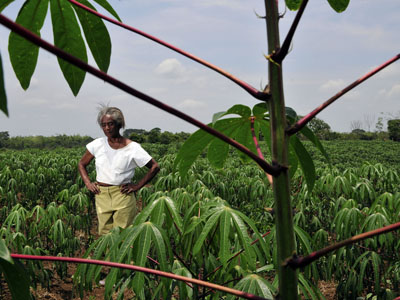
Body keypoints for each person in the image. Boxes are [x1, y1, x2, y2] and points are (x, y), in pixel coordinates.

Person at [78, 106, 160, 235]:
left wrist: (137, 186)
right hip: (101, 194)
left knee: (123, 235)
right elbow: (82, 164)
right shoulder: (97, 144)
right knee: (106, 236)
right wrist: (88, 183)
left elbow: (155, 166)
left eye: (110, 124)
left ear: (119, 124)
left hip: (122, 194)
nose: (107, 128)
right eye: (103, 125)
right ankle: (108, 256)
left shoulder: (133, 147)